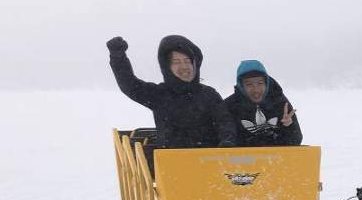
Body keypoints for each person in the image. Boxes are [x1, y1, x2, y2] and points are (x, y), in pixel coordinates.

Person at [106, 34, 236, 149]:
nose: (184, 66)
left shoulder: (209, 95)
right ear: (167, 67)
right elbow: (130, 85)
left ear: (195, 65)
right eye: (176, 62)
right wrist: (118, 57)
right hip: (170, 166)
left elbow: (224, 122)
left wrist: (227, 142)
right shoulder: (159, 95)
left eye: (187, 61)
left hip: (209, 165)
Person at [223, 60, 302, 147]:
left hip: (276, 158)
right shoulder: (229, 106)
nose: (256, 90)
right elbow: (224, 140)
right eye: (249, 85)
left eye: (260, 83)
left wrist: (289, 127)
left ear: (266, 83)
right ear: (241, 86)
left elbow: (295, 141)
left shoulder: (279, 102)